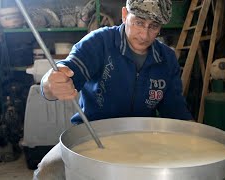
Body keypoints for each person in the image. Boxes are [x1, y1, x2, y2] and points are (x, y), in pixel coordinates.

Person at [34, 0, 193, 179]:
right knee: (47, 171)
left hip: (145, 138)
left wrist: (194, 138)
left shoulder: (167, 59)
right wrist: (50, 82)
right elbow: (68, 69)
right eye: (139, 22)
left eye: (153, 26)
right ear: (125, 15)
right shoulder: (99, 42)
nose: (144, 35)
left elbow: (176, 111)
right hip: (91, 135)